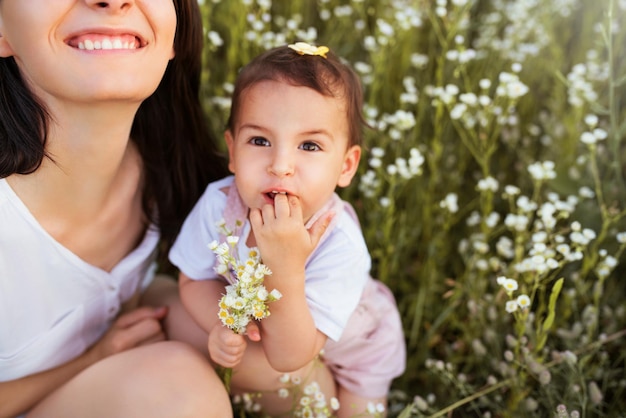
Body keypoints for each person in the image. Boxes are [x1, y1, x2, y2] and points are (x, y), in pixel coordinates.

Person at [0, 0, 232, 417]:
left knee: (253, 349)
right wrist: (94, 358)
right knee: (177, 390)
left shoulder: (162, 163)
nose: (110, 0)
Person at [170, 43, 406, 417]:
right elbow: (193, 278)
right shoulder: (220, 204)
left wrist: (285, 266)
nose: (280, 166)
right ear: (232, 151)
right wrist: (221, 327)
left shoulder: (339, 240)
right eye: (260, 141)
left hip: (357, 346)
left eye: (309, 145)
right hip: (283, 336)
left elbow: (290, 357)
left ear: (346, 166)